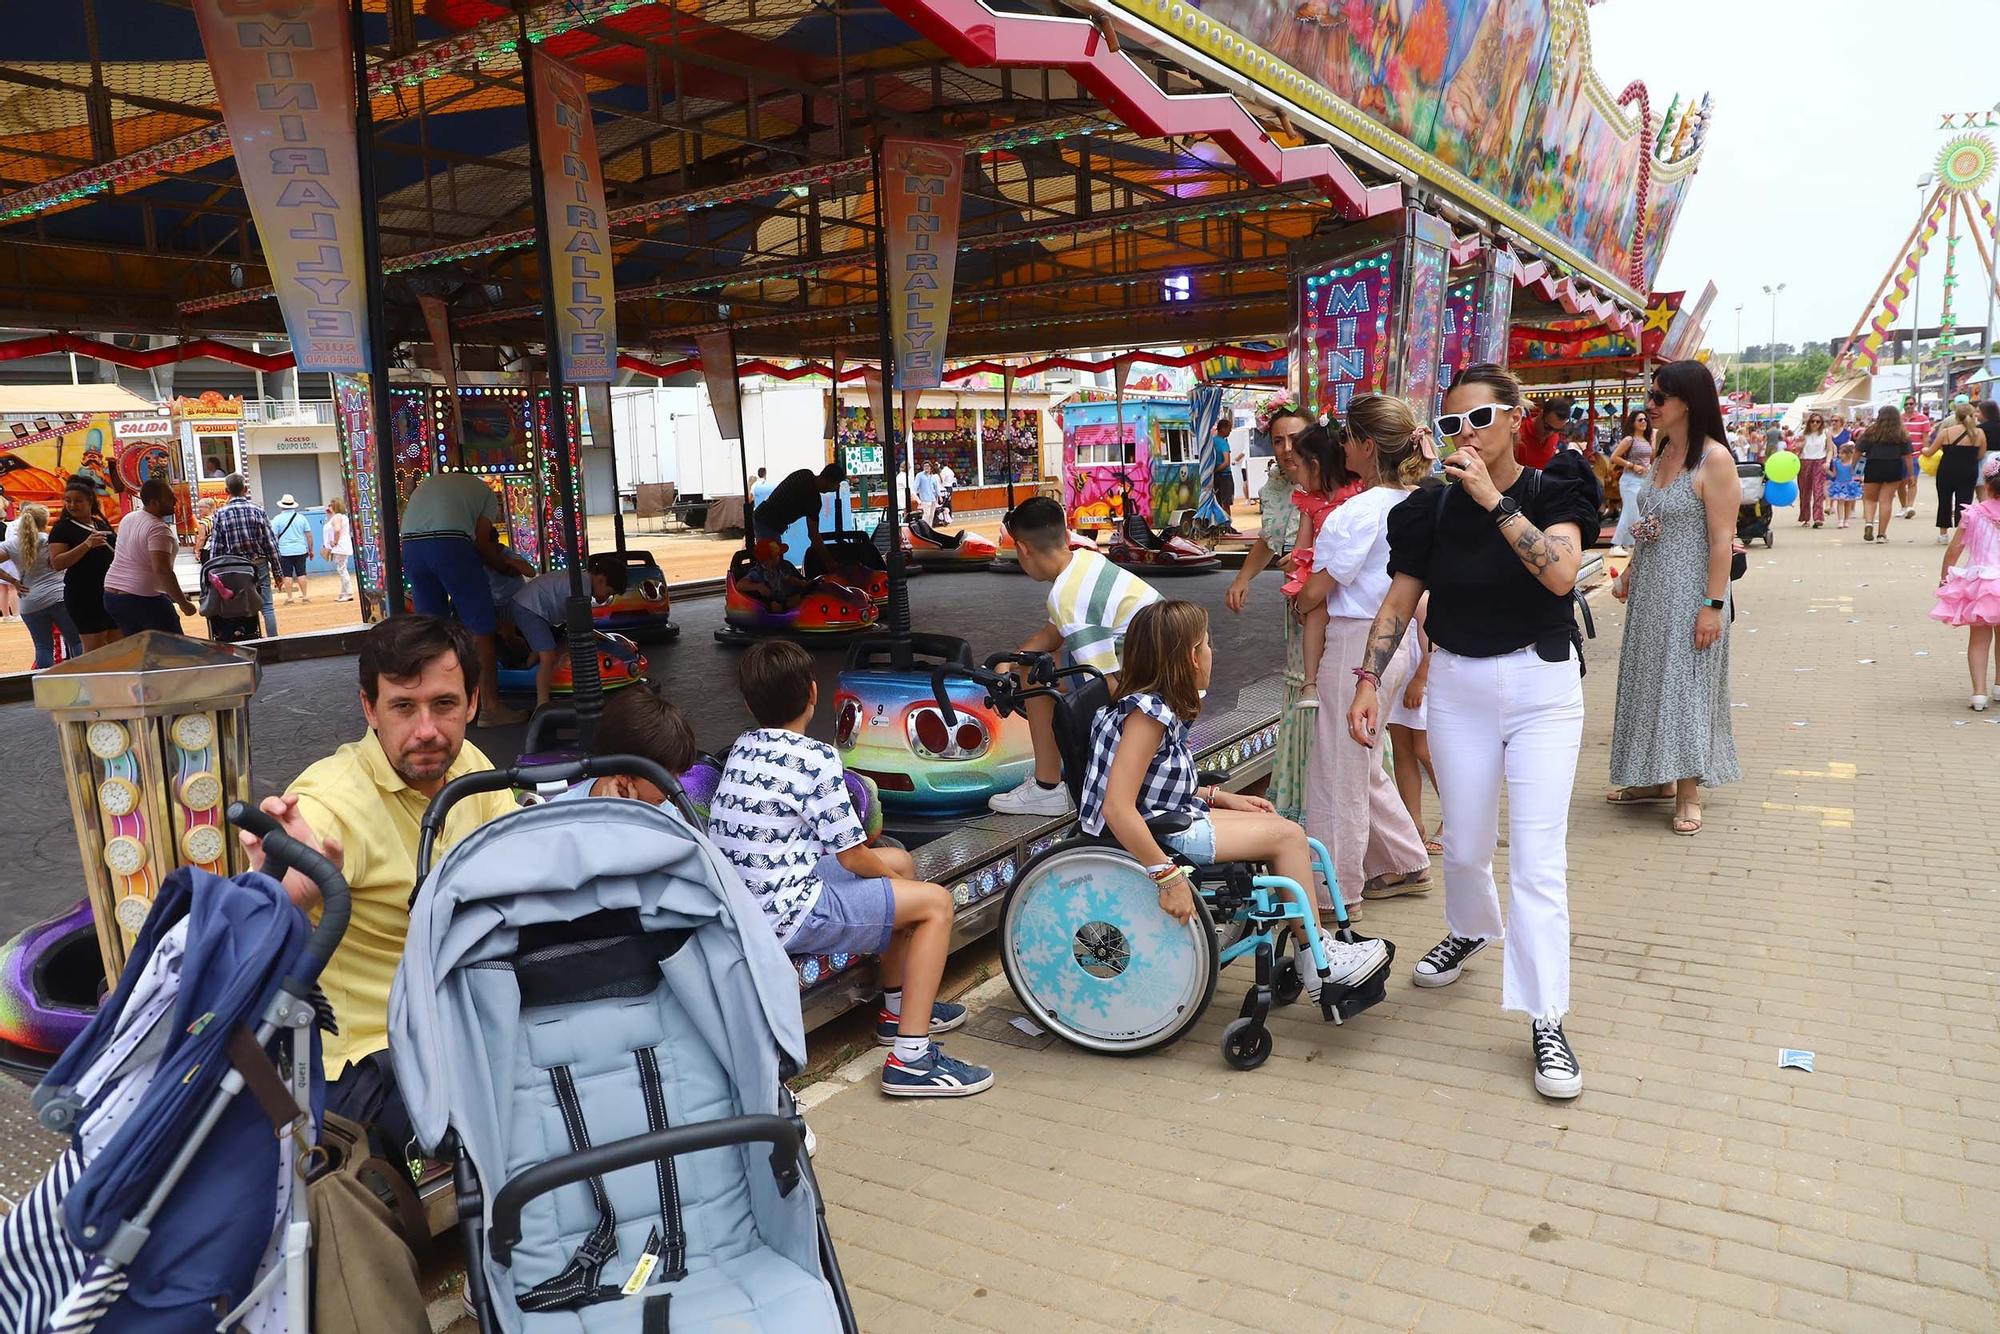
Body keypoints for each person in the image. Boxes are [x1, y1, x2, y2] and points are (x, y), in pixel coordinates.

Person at [1348, 362, 1600, 1099]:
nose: (1467, 436)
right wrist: (1369, 680)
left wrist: (1494, 499)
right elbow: (1398, 602)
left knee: (1537, 860)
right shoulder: (1425, 511)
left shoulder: (1558, 487)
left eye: (1479, 420)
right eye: (1452, 425)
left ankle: (1546, 1014)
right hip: (1457, 685)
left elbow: (1559, 574)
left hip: (1541, 687)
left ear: (1515, 418)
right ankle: (1470, 927)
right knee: (1462, 842)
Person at [236, 615, 517, 1145]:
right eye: (403, 707)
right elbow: (264, 895)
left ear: (472, 702)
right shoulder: (332, 801)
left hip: (469, 1024)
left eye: (444, 705)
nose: (427, 730)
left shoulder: (467, 766)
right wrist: (282, 898)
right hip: (373, 1060)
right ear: (370, 709)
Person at [711, 641, 992, 1098]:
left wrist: (895, 879)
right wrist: (902, 888)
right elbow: (853, 857)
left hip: (754, 903)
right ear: (813, 694)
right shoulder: (816, 758)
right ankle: (912, 1060)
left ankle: (898, 1008)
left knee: (899, 859)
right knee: (935, 905)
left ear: (747, 702)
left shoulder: (744, 748)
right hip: (790, 913)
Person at [1082, 599, 1388, 999]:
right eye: (1208, 644)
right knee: (1288, 838)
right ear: (1192, 657)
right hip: (1154, 834)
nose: (1213, 652)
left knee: (1284, 829)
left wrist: (1220, 797)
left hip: (1166, 816)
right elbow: (1117, 806)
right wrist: (1166, 876)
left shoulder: (1152, 706)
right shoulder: (1147, 715)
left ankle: (1312, 947)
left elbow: (1152, 782)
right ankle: (1316, 957)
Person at [1297, 394, 1432, 914]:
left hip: (1357, 640)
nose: (1342, 445)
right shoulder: (1412, 502)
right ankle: (1403, 859)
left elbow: (1324, 586)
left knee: (1337, 770)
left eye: (1348, 436)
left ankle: (1336, 891)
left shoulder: (1357, 510)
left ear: (1367, 446)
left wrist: (1302, 597)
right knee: (1364, 760)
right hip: (1396, 643)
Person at [1605, 361, 1742, 836]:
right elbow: (1651, 525)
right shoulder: (1664, 450)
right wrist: (1628, 574)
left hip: (1692, 594)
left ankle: (1688, 790)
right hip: (1650, 590)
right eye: (1651, 396)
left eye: (1660, 398)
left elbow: (1723, 540)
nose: (1650, 406)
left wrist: (1713, 606)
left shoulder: (1714, 460)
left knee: (1685, 686)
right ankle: (1653, 778)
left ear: (1689, 401)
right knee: (1647, 681)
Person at [989, 495, 1160, 817]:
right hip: (1160, 658)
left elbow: (1101, 681)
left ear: (1023, 549)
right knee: (1032, 665)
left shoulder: (1069, 596)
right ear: (1067, 537)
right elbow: (1051, 635)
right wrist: (1010, 659)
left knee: (1035, 675)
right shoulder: (1086, 563)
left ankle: (1047, 787)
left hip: (1147, 673)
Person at [1222, 404, 1322, 828]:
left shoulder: (1331, 486)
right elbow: (1268, 539)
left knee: (1319, 703)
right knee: (1299, 700)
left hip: (1328, 612)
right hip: (1297, 611)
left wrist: (1305, 564)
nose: (1285, 448)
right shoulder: (1277, 487)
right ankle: (1299, 809)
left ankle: (1323, 809)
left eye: (1295, 439)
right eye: (1278, 440)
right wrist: (1243, 577)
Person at [399, 469, 535, 726]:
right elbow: (482, 542)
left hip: (411, 546)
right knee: (480, 627)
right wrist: (502, 566)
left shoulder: (433, 483)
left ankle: (435, 706)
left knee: (433, 629)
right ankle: (491, 708)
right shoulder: (485, 493)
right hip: (449, 544)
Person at [1282, 423, 1363, 712]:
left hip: (1349, 573)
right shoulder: (1309, 503)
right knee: (1315, 611)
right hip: (1320, 570)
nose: (1296, 473)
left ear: (1314, 467)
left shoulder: (1358, 494)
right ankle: (1310, 681)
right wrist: (1295, 563)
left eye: (1298, 465)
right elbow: (1302, 547)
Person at [1930, 454, 2000, 710]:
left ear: (1988, 484)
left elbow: (1954, 550)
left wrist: (1944, 579)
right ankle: (1999, 686)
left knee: (1979, 639)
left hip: (1981, 583)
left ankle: (1979, 694)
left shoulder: (1974, 513)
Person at [508, 564, 625, 709]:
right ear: (601, 580)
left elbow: (579, 623)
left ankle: (529, 667)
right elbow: (578, 625)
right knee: (548, 656)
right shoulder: (582, 587)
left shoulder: (582, 581)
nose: (606, 597)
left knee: (547, 646)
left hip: (533, 607)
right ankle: (542, 705)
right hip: (529, 608)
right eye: (608, 593)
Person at [1386, 595, 1443, 854]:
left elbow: (1433, 646)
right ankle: (1413, 824)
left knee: (1425, 751)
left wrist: (1419, 681)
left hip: (1421, 684)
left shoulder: (1421, 599)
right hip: (1396, 683)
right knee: (1402, 750)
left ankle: (1456, 820)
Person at [101, 477, 194, 634]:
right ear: (154, 503)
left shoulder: (129, 518)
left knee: (140, 650)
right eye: (169, 498)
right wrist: (184, 603)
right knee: (174, 650)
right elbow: (162, 570)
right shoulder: (158, 529)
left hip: (112, 596)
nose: (175, 500)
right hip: (142, 598)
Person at [0, 503, 82, 668]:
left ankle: (45, 685)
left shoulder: (12, 544)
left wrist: (13, 581)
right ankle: (82, 679)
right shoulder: (51, 540)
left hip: (30, 602)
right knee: (75, 641)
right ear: (44, 522)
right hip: (58, 596)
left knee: (43, 646)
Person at [46, 475, 120, 652]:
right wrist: (86, 545)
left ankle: (117, 679)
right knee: (94, 648)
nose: (72, 505)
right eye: (68, 501)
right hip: (83, 594)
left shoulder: (100, 523)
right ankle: (94, 680)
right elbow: (57, 563)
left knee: (119, 645)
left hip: (110, 591)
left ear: (90, 501)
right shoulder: (62, 529)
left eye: (78, 501)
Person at [205, 474, 280, 636]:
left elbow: (216, 548)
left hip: (234, 569)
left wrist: (213, 572)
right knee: (267, 606)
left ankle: (245, 637)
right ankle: (274, 642)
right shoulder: (259, 511)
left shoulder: (220, 514)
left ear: (226, 491)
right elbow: (270, 544)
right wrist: (278, 572)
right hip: (258, 564)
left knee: (240, 605)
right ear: (245, 490)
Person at [750, 462, 846, 573]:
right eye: (837, 484)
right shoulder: (813, 500)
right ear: (830, 481)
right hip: (767, 523)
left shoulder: (805, 473)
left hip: (764, 518)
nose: (837, 488)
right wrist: (829, 562)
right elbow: (813, 535)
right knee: (771, 566)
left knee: (775, 564)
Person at [1922, 398, 1985, 545]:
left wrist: (1924, 450)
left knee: (1944, 501)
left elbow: (1930, 452)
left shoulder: (1946, 432)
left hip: (1947, 470)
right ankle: (1961, 533)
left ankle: (1943, 534)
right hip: (1969, 470)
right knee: (1964, 502)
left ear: (1956, 416)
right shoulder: (1979, 433)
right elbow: (1981, 455)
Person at [1858, 405, 1913, 543]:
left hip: (1873, 465)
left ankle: (1869, 522)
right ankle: (1881, 535)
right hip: (1893, 466)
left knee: (1870, 499)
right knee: (1886, 500)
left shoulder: (1871, 432)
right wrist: (1911, 474)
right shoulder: (1901, 433)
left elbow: (1858, 451)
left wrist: (1853, 467)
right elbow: (1908, 456)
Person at [1606, 407, 1654, 555]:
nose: (1644, 422)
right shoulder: (1629, 439)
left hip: (1643, 480)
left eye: (1645, 419)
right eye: (1640, 419)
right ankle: (1616, 544)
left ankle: (1631, 543)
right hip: (1630, 480)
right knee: (1629, 510)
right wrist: (1631, 465)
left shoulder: (1646, 439)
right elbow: (1614, 457)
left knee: (1638, 512)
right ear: (1633, 423)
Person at [272, 494, 314, 602]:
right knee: (301, 573)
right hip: (300, 550)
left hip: (284, 551)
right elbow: (308, 535)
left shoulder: (277, 519)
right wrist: (310, 550)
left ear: (281, 506)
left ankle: (290, 598)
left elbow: (273, 537)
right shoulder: (301, 518)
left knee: (287, 575)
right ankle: (305, 596)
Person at [1795, 412, 1833, 528]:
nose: (1815, 424)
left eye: (1818, 421)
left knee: (1818, 491)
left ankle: (1818, 518)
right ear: (1809, 423)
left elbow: (1830, 449)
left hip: (1819, 461)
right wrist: (1799, 447)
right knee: (1805, 491)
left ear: (1821, 423)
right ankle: (1805, 517)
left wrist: (1828, 461)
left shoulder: (1826, 434)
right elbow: (1797, 449)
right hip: (1805, 461)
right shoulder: (1802, 433)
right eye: (1812, 421)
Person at [1515, 398, 1568, 469]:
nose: (1551, 433)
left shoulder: (1554, 435)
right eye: (1547, 427)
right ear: (1541, 414)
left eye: (1556, 430)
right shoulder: (1518, 432)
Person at [1901, 399, 1931, 518]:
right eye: (1906, 404)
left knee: (1912, 480)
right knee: (1900, 483)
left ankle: (1909, 506)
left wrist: (1925, 451)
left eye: (1911, 404)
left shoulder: (1923, 419)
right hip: (1900, 455)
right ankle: (1903, 506)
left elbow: (1925, 437)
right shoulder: (1899, 418)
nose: (1908, 406)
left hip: (1916, 454)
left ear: (1915, 405)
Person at [323, 496, 354, 602]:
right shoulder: (343, 517)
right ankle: (344, 592)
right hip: (345, 545)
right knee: (342, 568)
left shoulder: (337, 518)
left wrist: (335, 542)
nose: (329, 507)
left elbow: (337, 530)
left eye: (331, 505)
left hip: (340, 546)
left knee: (342, 569)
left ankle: (348, 592)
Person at [1828, 437, 1863, 528]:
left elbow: (1856, 473)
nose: (1840, 455)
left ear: (1848, 454)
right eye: (1839, 453)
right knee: (1840, 502)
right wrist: (1826, 470)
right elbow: (1833, 475)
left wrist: (1860, 478)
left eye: (1842, 453)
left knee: (1848, 503)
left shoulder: (1852, 463)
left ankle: (1846, 520)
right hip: (1839, 484)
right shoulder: (1836, 462)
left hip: (1850, 485)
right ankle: (1840, 520)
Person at [911, 459, 940, 525]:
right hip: (925, 498)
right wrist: (914, 496)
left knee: (931, 515)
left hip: (933, 498)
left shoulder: (932, 476)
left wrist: (939, 496)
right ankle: (923, 527)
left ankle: (929, 528)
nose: (926, 468)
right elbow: (915, 487)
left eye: (927, 466)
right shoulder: (919, 475)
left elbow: (936, 487)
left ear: (930, 467)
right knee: (927, 514)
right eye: (925, 466)